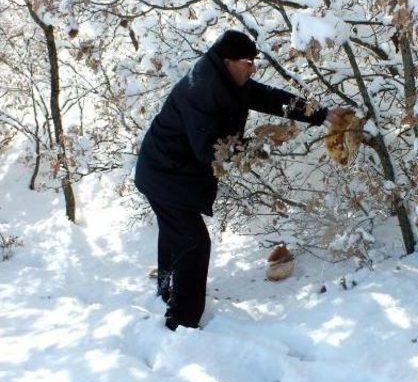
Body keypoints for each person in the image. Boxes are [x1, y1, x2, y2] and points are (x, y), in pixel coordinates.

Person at [135, 29, 345, 331]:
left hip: (167, 171)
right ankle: (181, 322)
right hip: (164, 174)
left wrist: (322, 114)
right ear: (228, 60)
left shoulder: (228, 79)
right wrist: (258, 144)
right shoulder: (203, 90)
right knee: (193, 242)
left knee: (175, 234)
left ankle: (169, 291)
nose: (253, 67)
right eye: (248, 62)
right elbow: (208, 149)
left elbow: (271, 98)